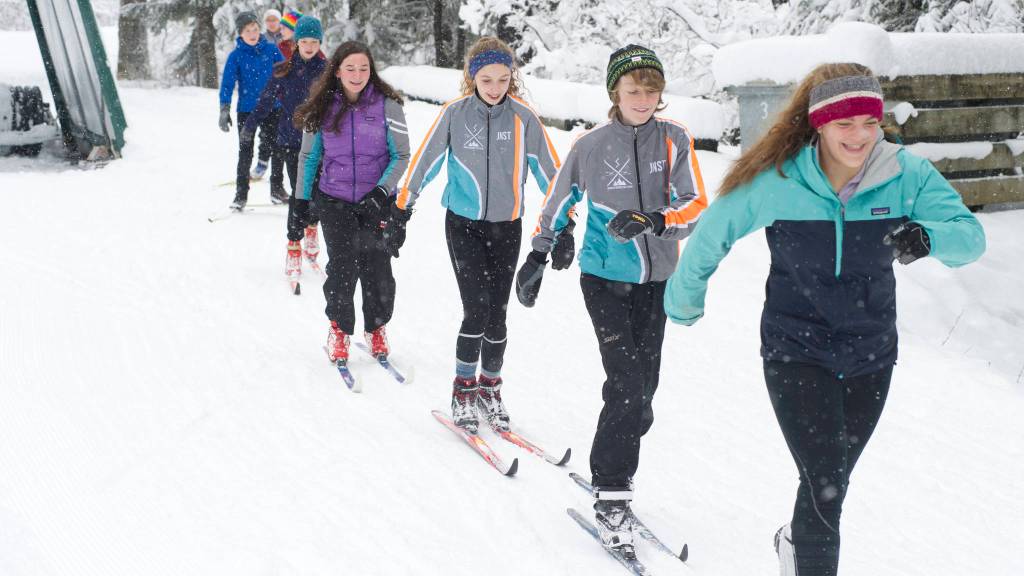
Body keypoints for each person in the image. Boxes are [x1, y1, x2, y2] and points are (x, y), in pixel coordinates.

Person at [663, 63, 986, 576]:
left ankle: (796, 542)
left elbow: (970, 238)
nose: (860, 136)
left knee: (832, 478)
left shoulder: (904, 175)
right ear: (819, 123)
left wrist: (930, 236)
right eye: (845, 124)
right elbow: (713, 233)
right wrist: (684, 300)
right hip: (796, 347)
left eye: (870, 123)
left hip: (871, 352)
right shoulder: (780, 179)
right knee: (825, 479)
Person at [515, 44, 707, 558]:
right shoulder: (591, 145)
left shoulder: (674, 138)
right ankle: (612, 490)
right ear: (614, 92)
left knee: (643, 393)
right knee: (626, 382)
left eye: (651, 90)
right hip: (603, 278)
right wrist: (538, 254)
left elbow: (696, 204)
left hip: (657, 279)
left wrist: (657, 220)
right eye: (633, 90)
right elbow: (559, 199)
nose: (643, 99)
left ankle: (618, 449)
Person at [389, 36, 561, 435]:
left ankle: (490, 388)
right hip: (463, 226)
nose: (495, 87)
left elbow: (554, 177)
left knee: (498, 314)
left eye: (503, 79)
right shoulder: (455, 114)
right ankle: (463, 390)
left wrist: (563, 224)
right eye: (486, 79)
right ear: (472, 77)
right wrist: (401, 209)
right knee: (477, 309)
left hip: (508, 227)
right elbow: (425, 161)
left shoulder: (524, 119)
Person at [293, 41, 410, 364]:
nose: (357, 75)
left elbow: (401, 155)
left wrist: (382, 191)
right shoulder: (321, 107)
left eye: (363, 68)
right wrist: (300, 201)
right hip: (335, 200)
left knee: (378, 270)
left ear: (371, 70)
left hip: (376, 202)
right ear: (337, 71)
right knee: (342, 269)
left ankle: (376, 328)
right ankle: (339, 330)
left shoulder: (388, 106)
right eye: (350, 68)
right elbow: (308, 156)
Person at [242, 16, 326, 281]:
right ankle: (293, 246)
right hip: (291, 143)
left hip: (320, 145)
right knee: (299, 195)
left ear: (320, 43)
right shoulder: (283, 70)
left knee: (319, 195)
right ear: (296, 42)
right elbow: (265, 101)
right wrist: (250, 126)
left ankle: (312, 226)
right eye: (305, 41)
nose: (309, 46)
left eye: (314, 42)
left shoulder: (328, 71)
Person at [218, 11, 284, 211]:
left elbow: (285, 74)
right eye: (247, 31)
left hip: (273, 107)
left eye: (255, 29)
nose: (253, 34)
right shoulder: (236, 56)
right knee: (245, 151)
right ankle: (240, 195)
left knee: (278, 149)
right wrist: (224, 108)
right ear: (240, 33)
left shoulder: (271, 50)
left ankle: (277, 190)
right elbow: (227, 84)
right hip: (247, 110)